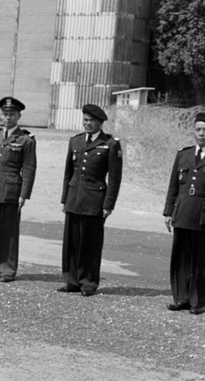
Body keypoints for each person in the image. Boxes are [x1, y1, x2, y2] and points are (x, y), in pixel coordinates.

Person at [163, 112, 205, 315]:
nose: (201, 134)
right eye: (198, 129)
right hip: (183, 211)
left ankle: (198, 301)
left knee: (202, 259)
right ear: (193, 131)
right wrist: (168, 212)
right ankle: (181, 298)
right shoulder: (183, 154)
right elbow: (173, 186)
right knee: (181, 257)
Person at [59, 104, 122, 296]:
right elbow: (68, 172)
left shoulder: (110, 144)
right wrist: (65, 199)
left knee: (90, 244)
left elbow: (115, 178)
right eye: (85, 120)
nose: (88, 124)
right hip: (74, 198)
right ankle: (71, 280)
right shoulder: (75, 141)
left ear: (100, 123)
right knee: (71, 242)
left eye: (92, 121)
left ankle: (88, 282)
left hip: (94, 200)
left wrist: (108, 205)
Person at [0, 97, 37, 282]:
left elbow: (29, 169)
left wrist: (24, 195)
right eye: (5, 114)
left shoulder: (26, 140)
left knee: (8, 232)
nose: (7, 118)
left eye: (12, 114)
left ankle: (6, 269)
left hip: (11, 190)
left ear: (19, 116)